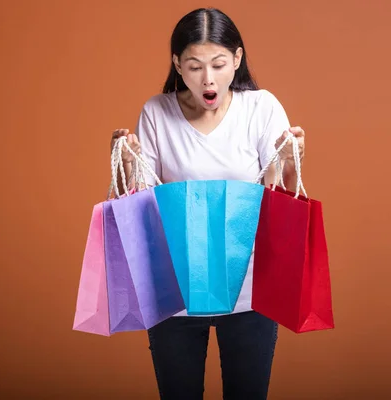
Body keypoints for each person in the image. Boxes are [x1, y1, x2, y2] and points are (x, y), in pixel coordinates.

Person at [110, 7, 306, 400]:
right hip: (175, 291)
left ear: (237, 59)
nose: (208, 78)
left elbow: (277, 197)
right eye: (195, 66)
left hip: (249, 290)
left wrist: (288, 159)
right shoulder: (157, 112)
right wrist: (122, 163)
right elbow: (137, 203)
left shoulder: (261, 108)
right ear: (177, 66)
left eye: (218, 64)